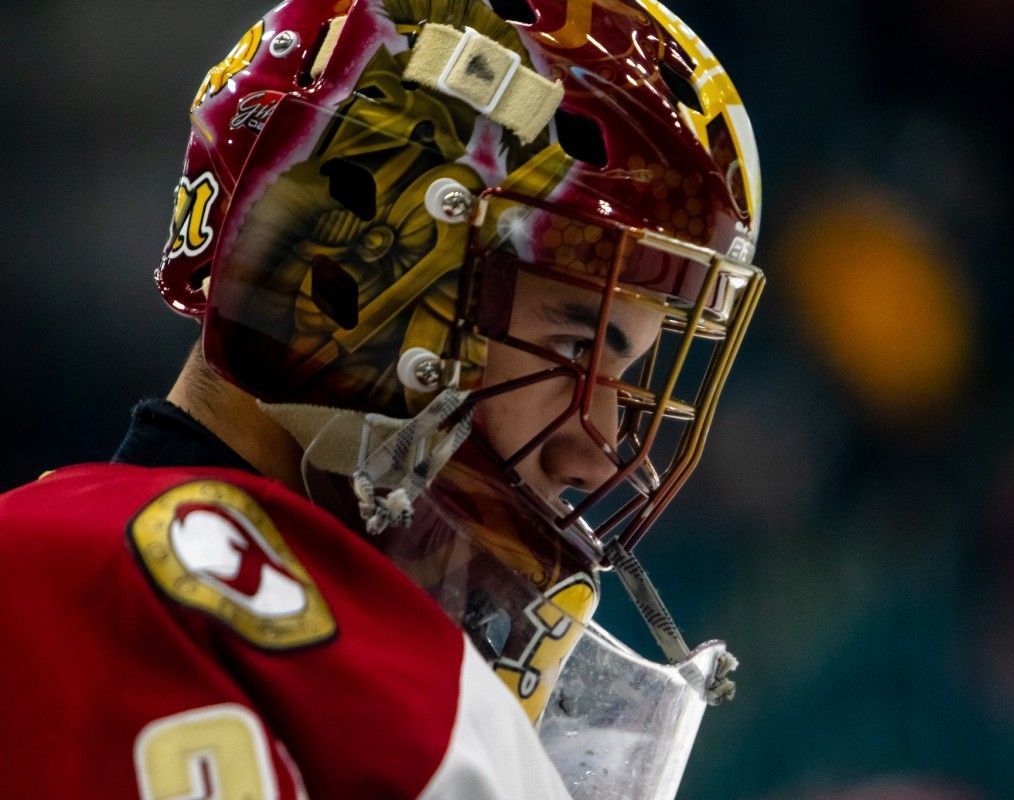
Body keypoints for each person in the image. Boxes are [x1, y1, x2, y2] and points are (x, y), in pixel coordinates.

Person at [0, 0, 764, 796]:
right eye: (577, 349)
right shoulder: (409, 710)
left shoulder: (37, 559)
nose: (598, 452)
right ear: (360, 282)